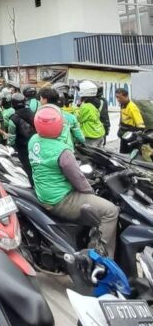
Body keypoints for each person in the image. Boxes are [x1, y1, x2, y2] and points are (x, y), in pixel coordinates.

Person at [29, 104, 119, 257]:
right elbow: (79, 180)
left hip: (44, 193)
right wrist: (91, 193)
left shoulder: (34, 140)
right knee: (110, 211)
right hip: (61, 200)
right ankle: (97, 257)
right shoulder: (62, 151)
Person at [8, 93, 35, 185]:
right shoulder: (32, 113)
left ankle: (31, 186)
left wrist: (10, 146)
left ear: (12, 104)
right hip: (36, 145)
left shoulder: (13, 119)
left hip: (22, 148)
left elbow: (11, 138)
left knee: (27, 168)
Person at [116, 88, 145, 154]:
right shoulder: (123, 105)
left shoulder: (132, 107)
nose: (117, 100)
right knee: (122, 153)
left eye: (119, 97)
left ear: (126, 96)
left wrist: (135, 135)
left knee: (127, 155)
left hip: (131, 135)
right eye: (116, 97)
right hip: (124, 133)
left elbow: (140, 125)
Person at [76, 81, 105, 147]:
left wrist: (78, 105)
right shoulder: (96, 103)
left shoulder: (86, 107)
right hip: (99, 134)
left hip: (91, 137)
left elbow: (78, 118)